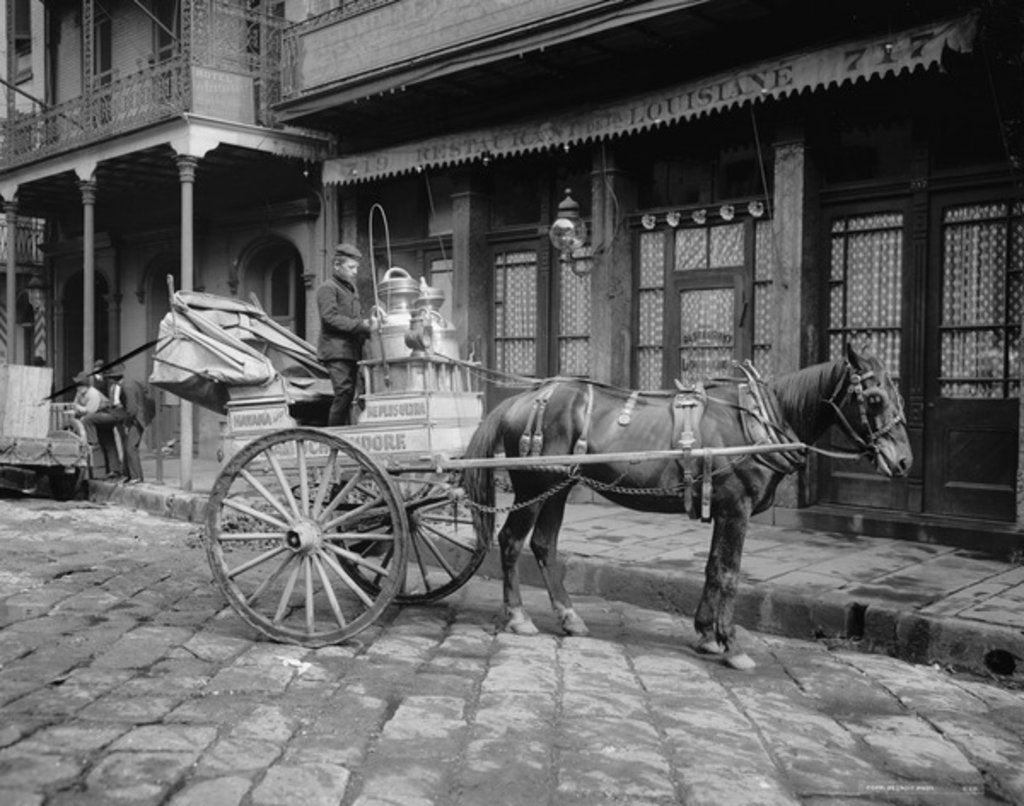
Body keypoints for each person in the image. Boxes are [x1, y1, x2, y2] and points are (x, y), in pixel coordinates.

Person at [317, 242, 372, 426]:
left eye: (356, 267)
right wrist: (362, 325)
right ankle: (335, 438)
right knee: (344, 394)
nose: (355, 272)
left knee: (353, 395)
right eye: (351, 267)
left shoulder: (349, 289)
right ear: (337, 265)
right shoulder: (328, 288)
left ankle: (346, 434)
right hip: (336, 351)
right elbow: (329, 318)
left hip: (351, 351)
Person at [81, 364, 155, 484]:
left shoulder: (127, 387)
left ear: (113, 378)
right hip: (135, 418)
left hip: (137, 420)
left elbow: (132, 409)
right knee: (128, 446)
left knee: (131, 447)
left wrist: (126, 422)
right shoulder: (126, 384)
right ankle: (129, 474)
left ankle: (136, 476)